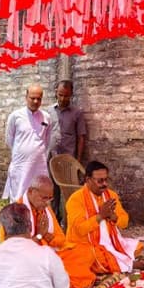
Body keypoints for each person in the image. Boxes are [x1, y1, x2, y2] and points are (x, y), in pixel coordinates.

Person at [62, 161, 143, 288]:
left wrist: (113, 217)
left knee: (136, 246)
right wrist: (100, 216)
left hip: (109, 242)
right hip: (84, 244)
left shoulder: (111, 195)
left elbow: (124, 222)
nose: (104, 184)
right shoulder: (76, 200)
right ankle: (127, 264)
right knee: (93, 257)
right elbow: (80, 230)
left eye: (106, 180)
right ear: (88, 180)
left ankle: (121, 261)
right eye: (100, 181)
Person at [3, 84, 50, 201]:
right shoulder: (15, 116)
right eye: (32, 98)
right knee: (18, 196)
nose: (35, 101)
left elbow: (47, 140)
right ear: (26, 97)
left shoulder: (46, 117)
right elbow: (9, 139)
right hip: (21, 165)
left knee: (38, 197)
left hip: (39, 165)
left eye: (39, 99)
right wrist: (23, 152)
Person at [48, 80, 87, 221]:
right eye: (60, 95)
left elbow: (81, 137)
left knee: (69, 193)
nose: (63, 98)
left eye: (66, 96)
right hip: (51, 158)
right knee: (52, 191)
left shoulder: (77, 113)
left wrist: (77, 160)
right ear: (56, 93)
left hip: (68, 160)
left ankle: (70, 222)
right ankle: (54, 221)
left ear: (71, 95)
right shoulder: (48, 111)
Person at [3, 175, 66, 249]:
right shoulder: (15, 213)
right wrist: (39, 235)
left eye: (50, 198)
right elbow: (16, 249)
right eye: (44, 198)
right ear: (30, 191)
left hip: (46, 251)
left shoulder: (46, 209)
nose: (48, 203)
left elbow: (61, 239)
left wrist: (50, 238)